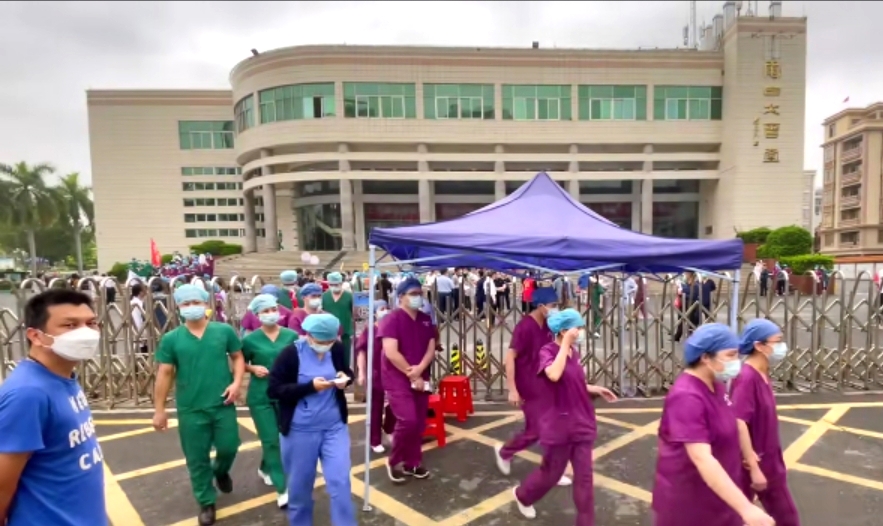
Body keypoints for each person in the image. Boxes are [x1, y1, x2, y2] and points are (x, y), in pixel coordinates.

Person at [0, 290, 106, 526]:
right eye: (70, 325)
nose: (85, 332)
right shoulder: (28, 394)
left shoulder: (63, 377)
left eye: (91, 323)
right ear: (36, 336)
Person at [652, 323, 774, 526]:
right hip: (691, 506)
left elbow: (735, 424)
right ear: (705, 358)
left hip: (721, 498)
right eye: (730, 355)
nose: (736, 361)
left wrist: (751, 465)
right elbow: (702, 458)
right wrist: (745, 508)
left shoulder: (716, 386)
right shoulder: (686, 397)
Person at [511, 308, 617, 523]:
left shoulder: (573, 353)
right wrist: (565, 343)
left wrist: (595, 389)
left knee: (584, 480)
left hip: (581, 423)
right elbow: (554, 374)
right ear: (563, 331)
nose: (580, 332)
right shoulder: (547, 352)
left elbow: (575, 382)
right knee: (551, 474)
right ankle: (523, 496)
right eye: (577, 328)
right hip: (558, 427)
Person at [152, 284, 245, 526]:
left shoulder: (223, 331)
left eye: (196, 302)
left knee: (229, 446)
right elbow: (164, 373)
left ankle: (221, 470)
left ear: (206, 304)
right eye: (186, 304)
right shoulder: (171, 339)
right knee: (196, 457)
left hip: (222, 402)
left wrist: (236, 383)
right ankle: (206, 501)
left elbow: (237, 357)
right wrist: (159, 410)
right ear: (178, 307)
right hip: (191, 408)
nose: (192, 307)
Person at [268, 314, 356, 526]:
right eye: (321, 341)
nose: (325, 345)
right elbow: (274, 390)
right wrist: (310, 387)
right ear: (308, 335)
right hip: (300, 431)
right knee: (299, 488)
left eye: (330, 340)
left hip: (334, 426)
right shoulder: (290, 354)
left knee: (341, 481)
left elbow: (347, 372)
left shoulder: (336, 349)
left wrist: (345, 379)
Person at [495, 287, 572, 487]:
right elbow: (510, 357)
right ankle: (505, 452)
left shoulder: (550, 325)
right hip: (529, 387)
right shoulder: (525, 327)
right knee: (536, 430)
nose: (555, 309)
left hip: (547, 384)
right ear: (541, 306)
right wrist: (512, 389)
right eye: (553, 305)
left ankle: (553, 471)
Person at [732, 319, 801, 526]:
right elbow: (739, 421)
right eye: (777, 341)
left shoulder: (762, 373)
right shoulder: (747, 378)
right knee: (787, 518)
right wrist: (753, 467)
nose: (782, 346)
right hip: (758, 465)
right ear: (759, 346)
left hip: (770, 461)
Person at [242, 294, 299, 509]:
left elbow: (302, 359)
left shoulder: (291, 335)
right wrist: (252, 368)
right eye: (265, 311)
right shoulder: (250, 340)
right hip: (260, 396)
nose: (270, 314)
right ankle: (283, 489)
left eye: (273, 309)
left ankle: (266, 468)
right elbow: (238, 362)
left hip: (286, 394)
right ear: (257, 315)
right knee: (271, 440)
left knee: (285, 437)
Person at [379, 277, 437, 483]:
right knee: (407, 420)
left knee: (419, 422)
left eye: (420, 294)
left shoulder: (425, 319)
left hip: (421, 375)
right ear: (401, 296)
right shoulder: (391, 319)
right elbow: (391, 352)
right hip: (397, 377)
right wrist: (413, 373)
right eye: (413, 294)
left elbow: (431, 347)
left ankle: (412, 462)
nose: (418, 297)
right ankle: (394, 461)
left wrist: (420, 369)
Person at [355, 300, 394, 453]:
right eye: (381, 309)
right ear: (375, 312)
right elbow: (361, 352)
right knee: (375, 409)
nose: (385, 311)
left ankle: (389, 428)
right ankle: (375, 440)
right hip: (375, 374)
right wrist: (362, 372)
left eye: (386, 308)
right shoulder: (370, 330)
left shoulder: (393, 328)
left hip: (392, 374)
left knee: (394, 404)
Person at [322, 272, 355, 367]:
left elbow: (354, 313)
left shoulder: (349, 296)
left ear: (341, 283)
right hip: (328, 332)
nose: (334, 287)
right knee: (329, 357)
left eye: (336, 284)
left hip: (345, 332)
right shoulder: (324, 296)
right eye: (332, 285)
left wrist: (352, 330)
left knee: (344, 357)